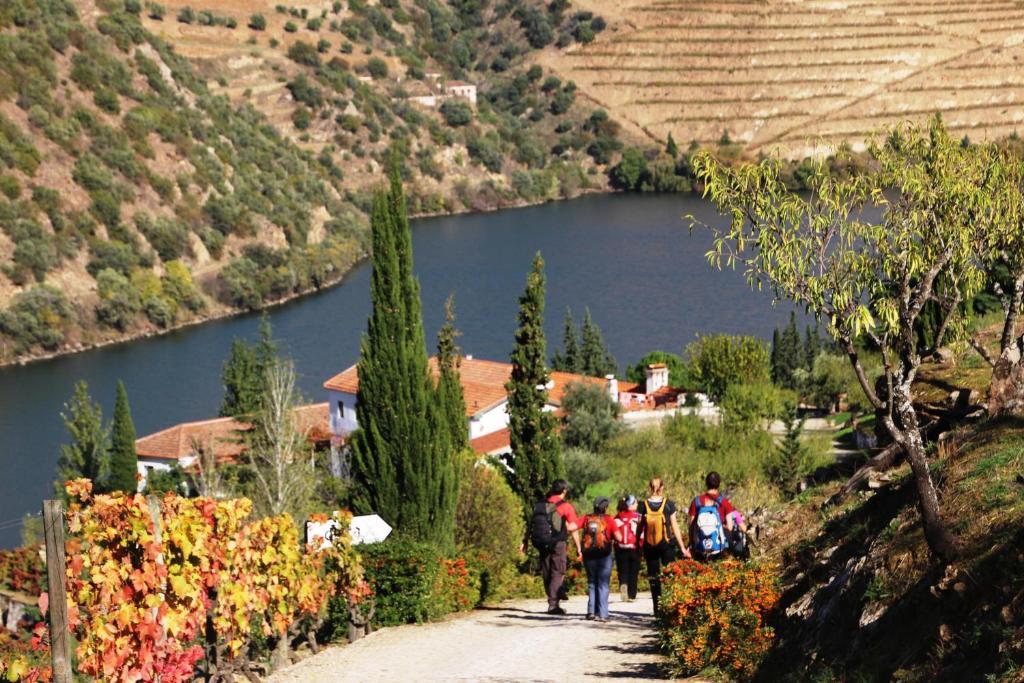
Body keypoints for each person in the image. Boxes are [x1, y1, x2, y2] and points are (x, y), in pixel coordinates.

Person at [639, 477, 690, 614]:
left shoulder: (643, 505)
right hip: (666, 544)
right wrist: (683, 548)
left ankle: (657, 607)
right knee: (670, 575)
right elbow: (675, 527)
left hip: (650, 545)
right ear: (662, 487)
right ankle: (670, 605)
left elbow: (640, 527)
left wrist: (637, 543)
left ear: (650, 487)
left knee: (654, 576)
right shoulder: (669, 504)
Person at [530, 479, 581, 615]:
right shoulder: (566, 506)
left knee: (547, 571)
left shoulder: (541, 504)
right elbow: (574, 528)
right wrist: (579, 547)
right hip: (558, 543)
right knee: (558, 571)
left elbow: (532, 523)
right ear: (564, 491)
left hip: (542, 541)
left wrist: (525, 541)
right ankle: (553, 604)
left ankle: (553, 598)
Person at [580, 497, 622, 621]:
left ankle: (591, 612)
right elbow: (619, 538)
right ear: (605, 508)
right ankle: (603, 614)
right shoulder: (609, 519)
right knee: (603, 584)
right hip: (604, 555)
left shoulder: (586, 518)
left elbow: (571, 526)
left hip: (589, 555)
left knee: (592, 583)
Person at [687, 471, 736, 561]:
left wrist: (691, 544)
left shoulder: (696, 501)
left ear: (706, 483)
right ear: (719, 484)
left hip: (699, 547)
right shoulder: (725, 503)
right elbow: (730, 527)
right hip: (719, 548)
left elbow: (690, 525)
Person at [613, 495, 642, 602]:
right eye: (635, 503)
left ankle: (623, 584)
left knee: (623, 571)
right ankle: (631, 594)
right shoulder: (637, 516)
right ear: (630, 505)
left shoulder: (617, 516)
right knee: (634, 572)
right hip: (634, 547)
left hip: (620, 548)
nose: (637, 504)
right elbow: (642, 533)